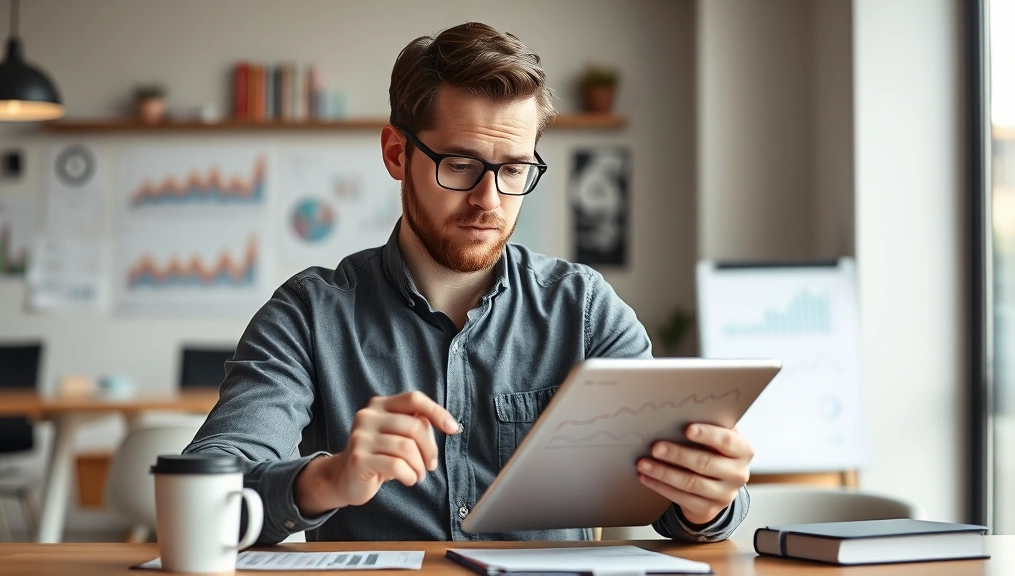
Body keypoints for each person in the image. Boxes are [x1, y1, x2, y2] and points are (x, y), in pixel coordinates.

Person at [185, 21, 752, 545]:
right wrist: (329, 478)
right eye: (460, 165)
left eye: (514, 169)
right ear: (397, 154)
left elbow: (681, 498)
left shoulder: (584, 309)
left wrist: (705, 500)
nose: (490, 200)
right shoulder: (309, 314)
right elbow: (203, 496)